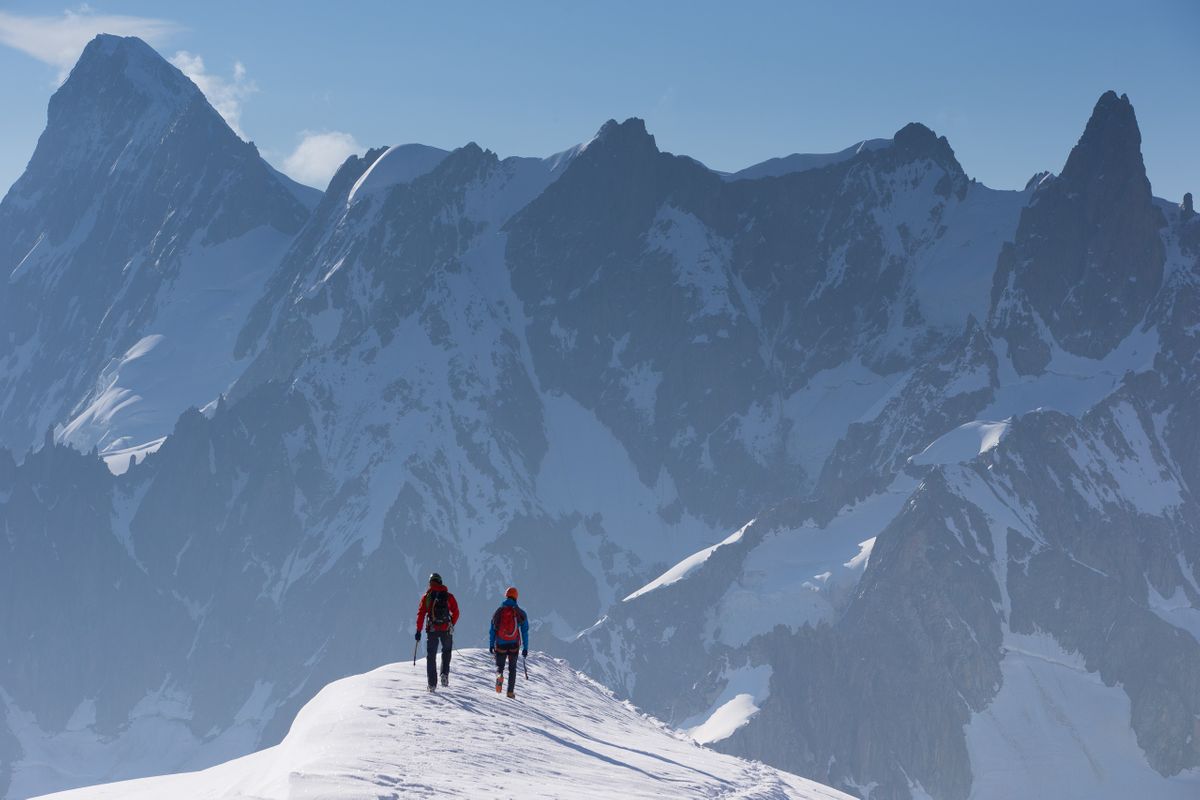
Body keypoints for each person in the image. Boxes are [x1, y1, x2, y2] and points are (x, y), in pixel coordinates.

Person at [415, 572, 459, 691]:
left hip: (432, 629)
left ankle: (432, 684)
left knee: (431, 656)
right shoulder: (448, 596)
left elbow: (421, 614)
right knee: (446, 652)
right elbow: (456, 612)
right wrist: (451, 623)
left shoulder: (427, 597)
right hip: (446, 629)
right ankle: (444, 674)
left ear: (430, 583)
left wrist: (418, 631)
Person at [488, 586, 529, 698]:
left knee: (499, 666)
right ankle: (510, 692)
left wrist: (491, 644)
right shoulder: (520, 613)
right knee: (512, 669)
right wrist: (525, 648)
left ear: (506, 596)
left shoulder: (498, 612)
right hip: (514, 645)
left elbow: (492, 630)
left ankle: (499, 675)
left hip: (501, 644)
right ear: (516, 597)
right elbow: (525, 631)